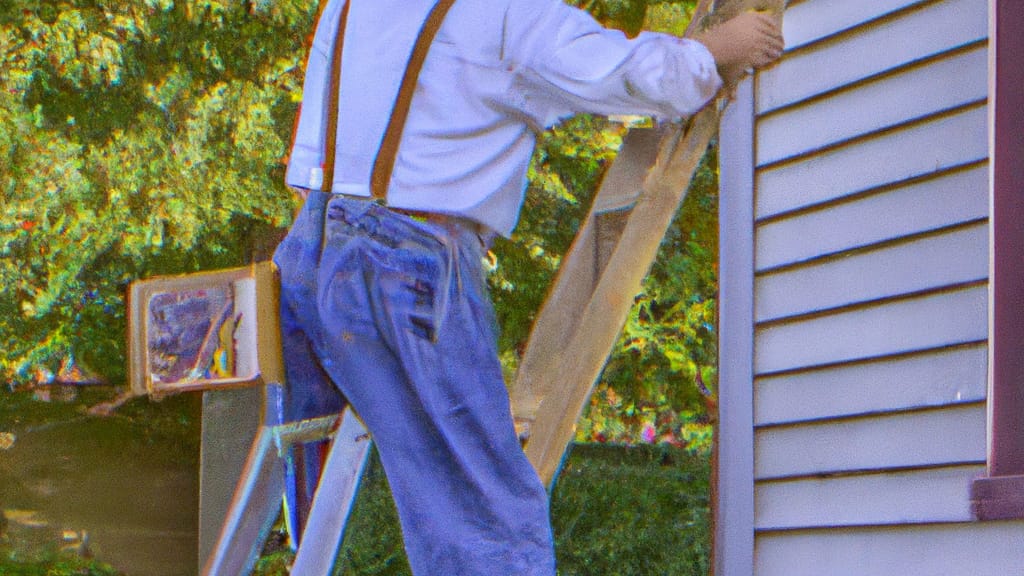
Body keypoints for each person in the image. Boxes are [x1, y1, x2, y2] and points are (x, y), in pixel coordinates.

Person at [272, 0, 782, 574]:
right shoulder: (504, 9)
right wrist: (719, 50)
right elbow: (620, 72)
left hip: (310, 254)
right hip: (405, 257)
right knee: (485, 523)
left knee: (324, 502)